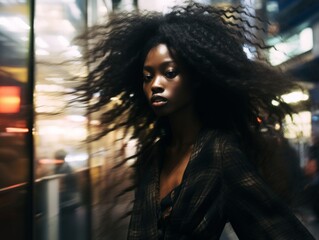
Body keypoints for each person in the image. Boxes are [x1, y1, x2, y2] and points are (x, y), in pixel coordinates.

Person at [74, 2, 315, 239]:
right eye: (147, 76)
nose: (155, 85)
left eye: (169, 73)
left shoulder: (220, 152)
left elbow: (279, 229)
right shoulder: (153, 155)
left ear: (196, 78)